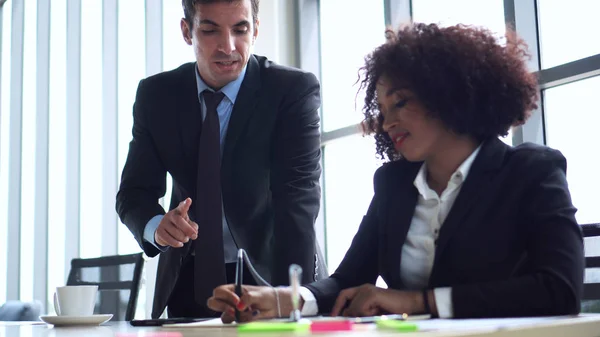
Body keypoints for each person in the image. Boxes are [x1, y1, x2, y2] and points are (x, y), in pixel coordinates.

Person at [207, 23, 584, 321]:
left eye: (401, 103)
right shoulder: (394, 185)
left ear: (449, 94)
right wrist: (282, 299)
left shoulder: (531, 172)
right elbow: (348, 280)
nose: (388, 122)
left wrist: (417, 301)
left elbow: (559, 290)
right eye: (383, 110)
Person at [116, 0, 323, 319]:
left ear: (256, 29)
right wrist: (159, 227)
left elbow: (298, 199)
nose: (228, 47)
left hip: (269, 276)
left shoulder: (290, 91)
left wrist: (290, 299)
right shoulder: (157, 96)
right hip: (188, 280)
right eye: (210, 30)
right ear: (187, 31)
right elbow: (134, 193)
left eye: (240, 30)